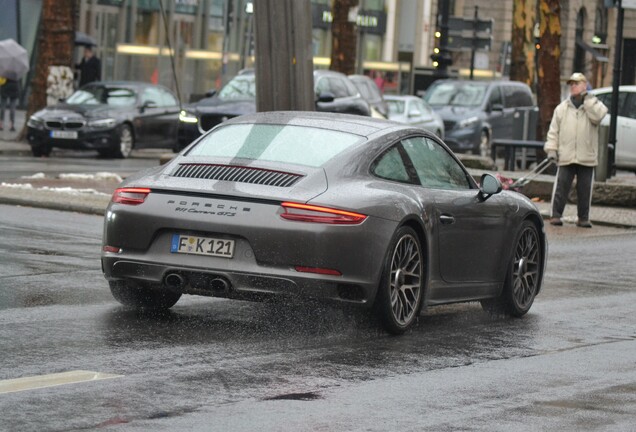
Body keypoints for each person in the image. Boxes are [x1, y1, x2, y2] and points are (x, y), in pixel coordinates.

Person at [544, 72, 608, 228]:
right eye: (571, 84)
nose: (573, 86)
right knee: (561, 187)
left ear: (584, 85)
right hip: (567, 155)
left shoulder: (593, 105)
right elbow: (554, 131)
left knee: (585, 190)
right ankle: (556, 215)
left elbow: (599, 116)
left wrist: (588, 101)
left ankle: (583, 217)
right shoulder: (562, 108)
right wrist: (552, 149)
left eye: (576, 83)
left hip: (587, 156)